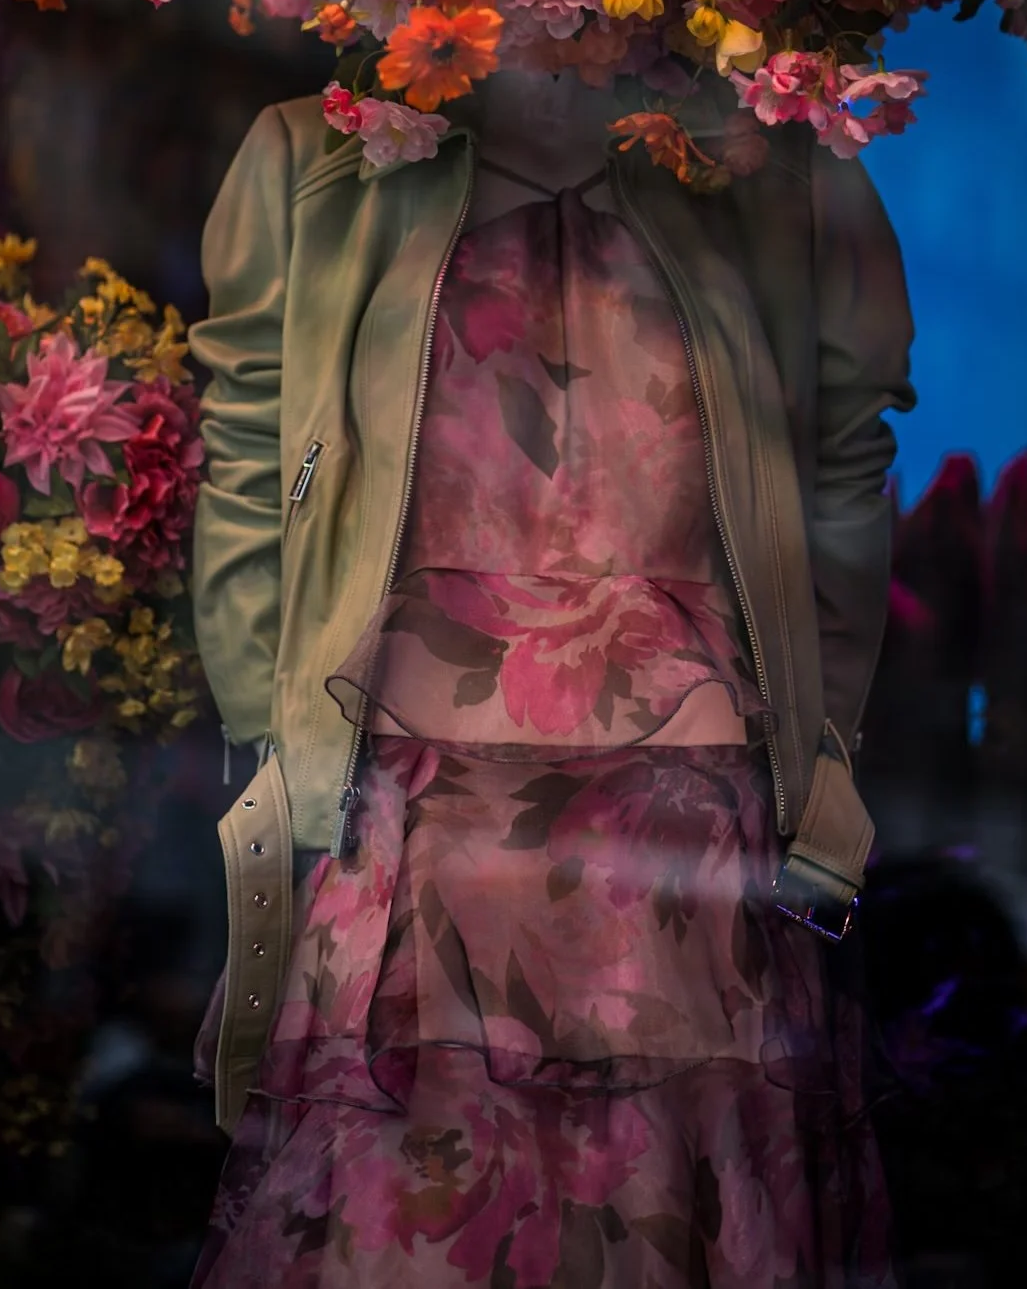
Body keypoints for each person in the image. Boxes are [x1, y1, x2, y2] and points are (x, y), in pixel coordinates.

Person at [187, 64, 915, 1288]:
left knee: (659, 1201)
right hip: (415, 805)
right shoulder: (316, 160)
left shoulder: (778, 163)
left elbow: (846, 459)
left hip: (684, 822)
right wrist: (276, 729)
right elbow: (253, 451)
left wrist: (818, 735)